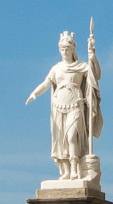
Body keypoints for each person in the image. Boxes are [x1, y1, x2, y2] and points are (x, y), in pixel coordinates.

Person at [25, 28, 102, 182]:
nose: (65, 51)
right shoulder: (56, 68)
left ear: (73, 49)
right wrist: (34, 93)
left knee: (72, 136)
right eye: (62, 49)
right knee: (62, 141)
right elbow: (46, 84)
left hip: (75, 104)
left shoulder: (81, 66)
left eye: (67, 48)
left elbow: (96, 75)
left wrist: (93, 57)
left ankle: (75, 168)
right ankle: (66, 171)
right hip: (59, 106)